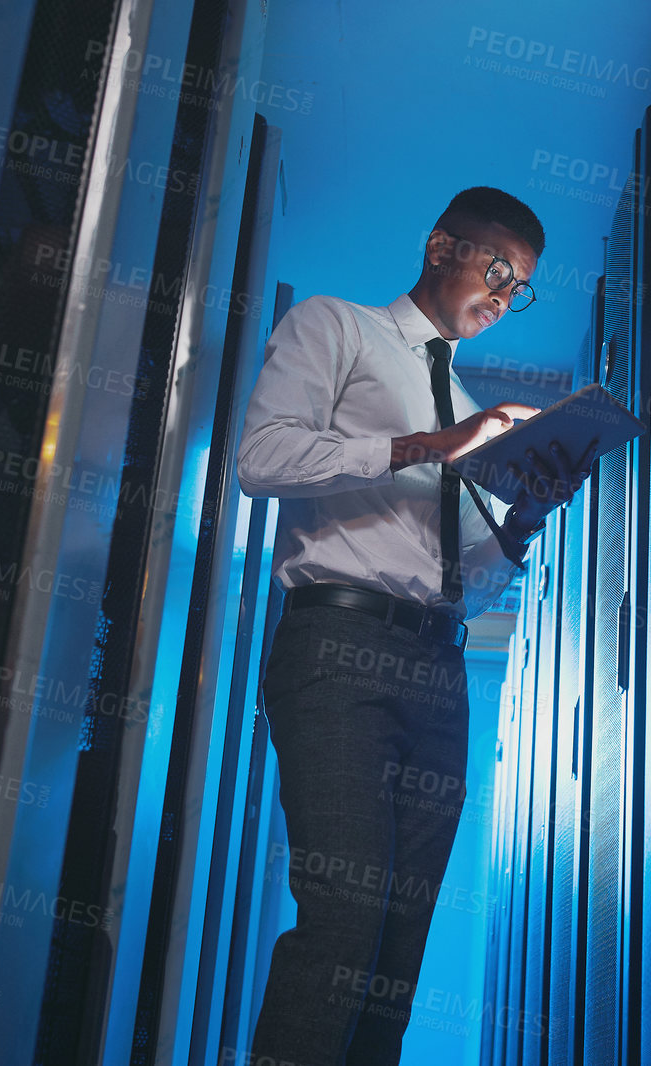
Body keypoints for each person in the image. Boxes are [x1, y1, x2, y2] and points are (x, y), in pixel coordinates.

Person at [236, 185, 597, 1064]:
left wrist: (522, 517)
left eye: (521, 292)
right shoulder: (339, 328)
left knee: (397, 951)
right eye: (497, 272)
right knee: (344, 924)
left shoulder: (468, 401)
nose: (504, 300)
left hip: (437, 669)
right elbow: (262, 457)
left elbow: (461, 577)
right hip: (338, 651)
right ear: (442, 246)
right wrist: (430, 445)